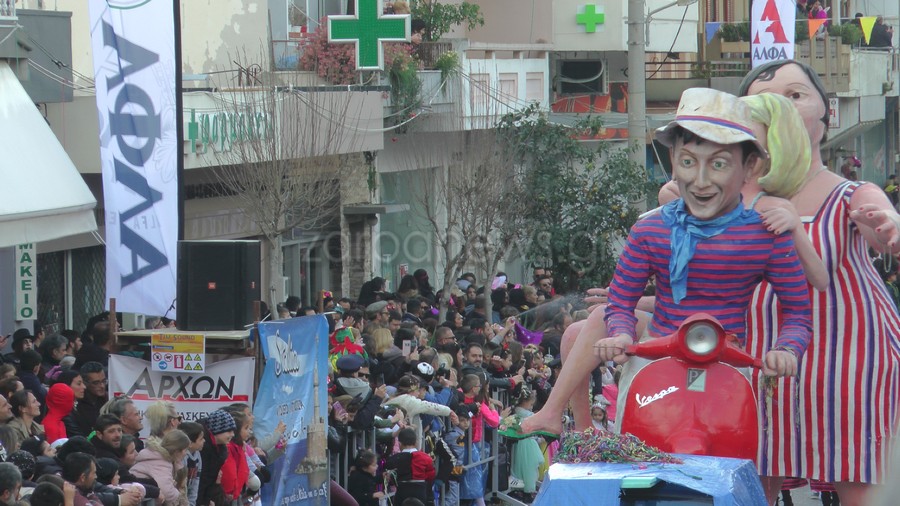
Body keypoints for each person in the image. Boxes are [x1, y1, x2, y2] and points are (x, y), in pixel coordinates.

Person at [520, 88, 811, 438]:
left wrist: (787, 348)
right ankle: (576, 429)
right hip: (656, 359)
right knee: (636, 448)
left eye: (718, 164)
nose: (700, 180)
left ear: (749, 166)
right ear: (672, 159)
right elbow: (621, 300)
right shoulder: (651, 230)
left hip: (726, 362)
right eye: (688, 162)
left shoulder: (765, 235)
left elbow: (798, 311)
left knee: (734, 451)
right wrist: (621, 333)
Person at [739, 59, 900, 505]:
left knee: (860, 478)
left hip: (849, 358)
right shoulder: (731, 201)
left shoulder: (848, 194)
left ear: (826, 115)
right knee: (753, 478)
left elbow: (878, 218)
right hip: (766, 355)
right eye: (761, 101)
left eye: (795, 95)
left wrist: (889, 224)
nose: (779, 107)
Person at [129, 429, 191, 506]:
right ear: (177, 451)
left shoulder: (159, 457)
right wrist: (179, 499)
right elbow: (166, 492)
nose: (186, 453)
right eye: (186, 450)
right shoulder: (161, 462)